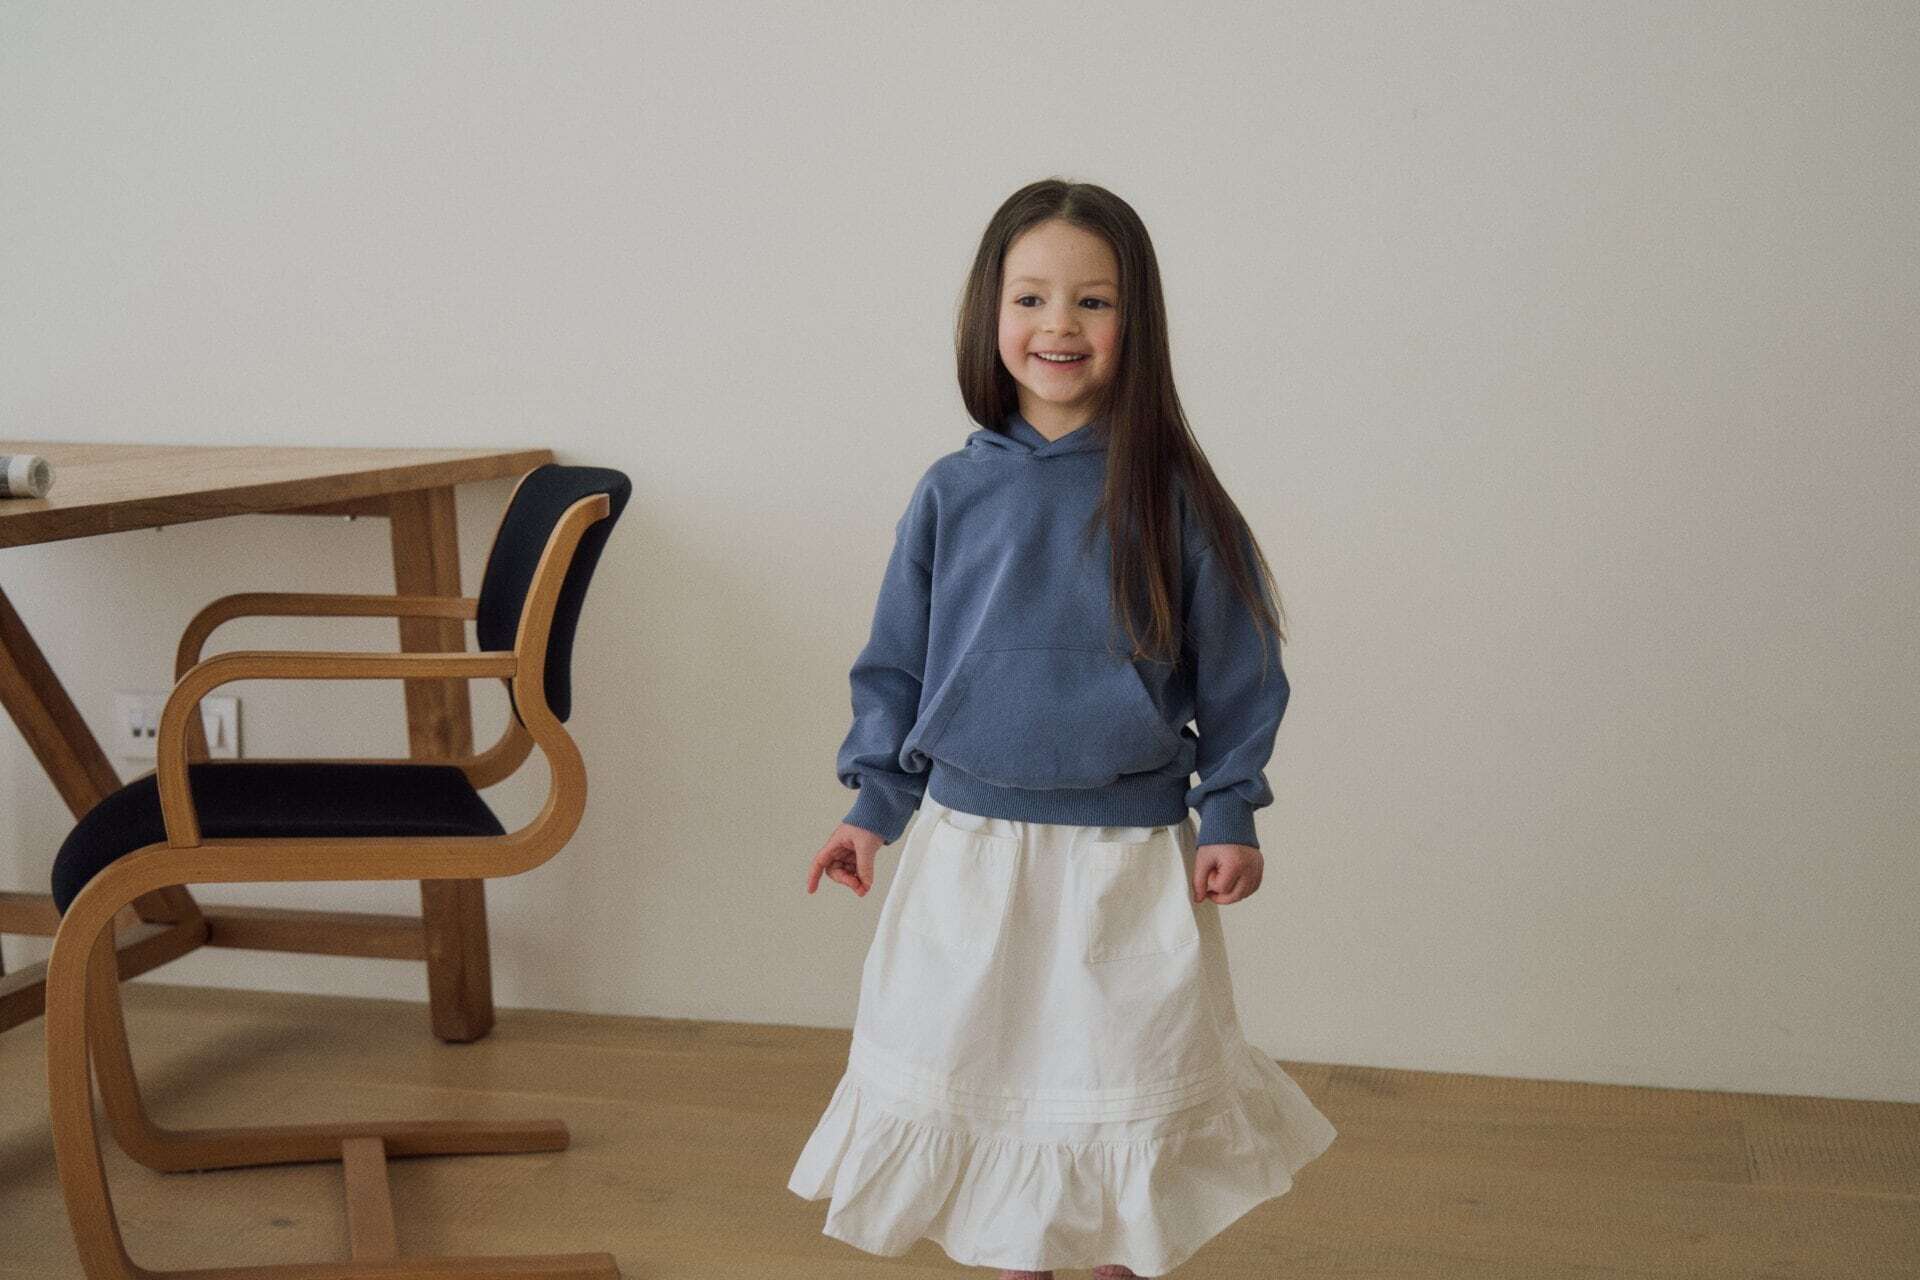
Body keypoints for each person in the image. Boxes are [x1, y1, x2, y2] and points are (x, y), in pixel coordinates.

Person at [788, 177, 1337, 1278]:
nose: (1059, 325)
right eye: (1031, 297)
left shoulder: (1173, 495)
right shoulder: (950, 492)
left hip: (1123, 858)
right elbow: (898, 664)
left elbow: (1241, 671)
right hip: (969, 851)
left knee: (1116, 1081)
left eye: (1094, 301)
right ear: (989, 315)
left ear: (1138, 322)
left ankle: (1112, 1260)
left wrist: (1230, 810)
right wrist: (871, 807)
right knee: (988, 1081)